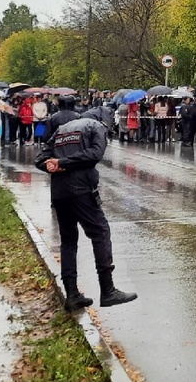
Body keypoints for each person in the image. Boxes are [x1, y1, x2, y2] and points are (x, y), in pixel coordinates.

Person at [35, 112, 137, 310]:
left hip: (59, 192)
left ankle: (72, 295)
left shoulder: (61, 130)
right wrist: (63, 164)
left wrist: (56, 165)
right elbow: (95, 154)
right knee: (100, 233)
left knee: (68, 241)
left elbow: (41, 158)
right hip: (81, 190)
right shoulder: (95, 127)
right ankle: (108, 291)